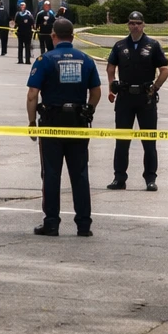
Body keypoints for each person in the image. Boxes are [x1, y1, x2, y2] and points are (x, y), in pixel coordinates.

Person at [26, 18, 102, 237]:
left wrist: (32, 123)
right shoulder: (85, 59)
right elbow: (95, 91)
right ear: (73, 36)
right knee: (79, 173)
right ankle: (84, 225)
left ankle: (51, 223)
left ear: (53, 36)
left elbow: (33, 94)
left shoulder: (45, 60)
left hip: (52, 122)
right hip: (78, 121)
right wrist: (89, 109)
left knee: (51, 173)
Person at [106, 10, 168, 192]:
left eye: (138, 23)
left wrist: (155, 87)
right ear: (128, 25)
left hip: (145, 98)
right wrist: (111, 87)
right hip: (125, 97)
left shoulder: (152, 45)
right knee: (122, 140)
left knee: (148, 140)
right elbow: (111, 67)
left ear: (143, 25)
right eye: (131, 23)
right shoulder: (120, 46)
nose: (135, 26)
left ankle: (150, 178)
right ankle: (119, 178)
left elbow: (165, 70)